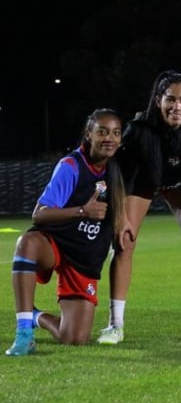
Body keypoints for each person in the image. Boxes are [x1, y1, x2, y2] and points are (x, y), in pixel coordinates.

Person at [98, 71, 181, 344]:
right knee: (124, 242)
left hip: (178, 184)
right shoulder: (138, 130)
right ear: (158, 100)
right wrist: (120, 216)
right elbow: (120, 174)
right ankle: (115, 325)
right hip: (141, 183)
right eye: (170, 99)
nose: (177, 107)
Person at [7, 108, 131, 356]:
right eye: (102, 132)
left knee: (74, 339)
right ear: (89, 134)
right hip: (56, 244)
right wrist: (83, 211)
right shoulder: (71, 166)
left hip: (84, 257)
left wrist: (123, 220)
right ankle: (23, 333)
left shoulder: (116, 168)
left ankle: (35, 316)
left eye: (116, 133)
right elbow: (39, 214)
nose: (110, 138)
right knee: (27, 243)